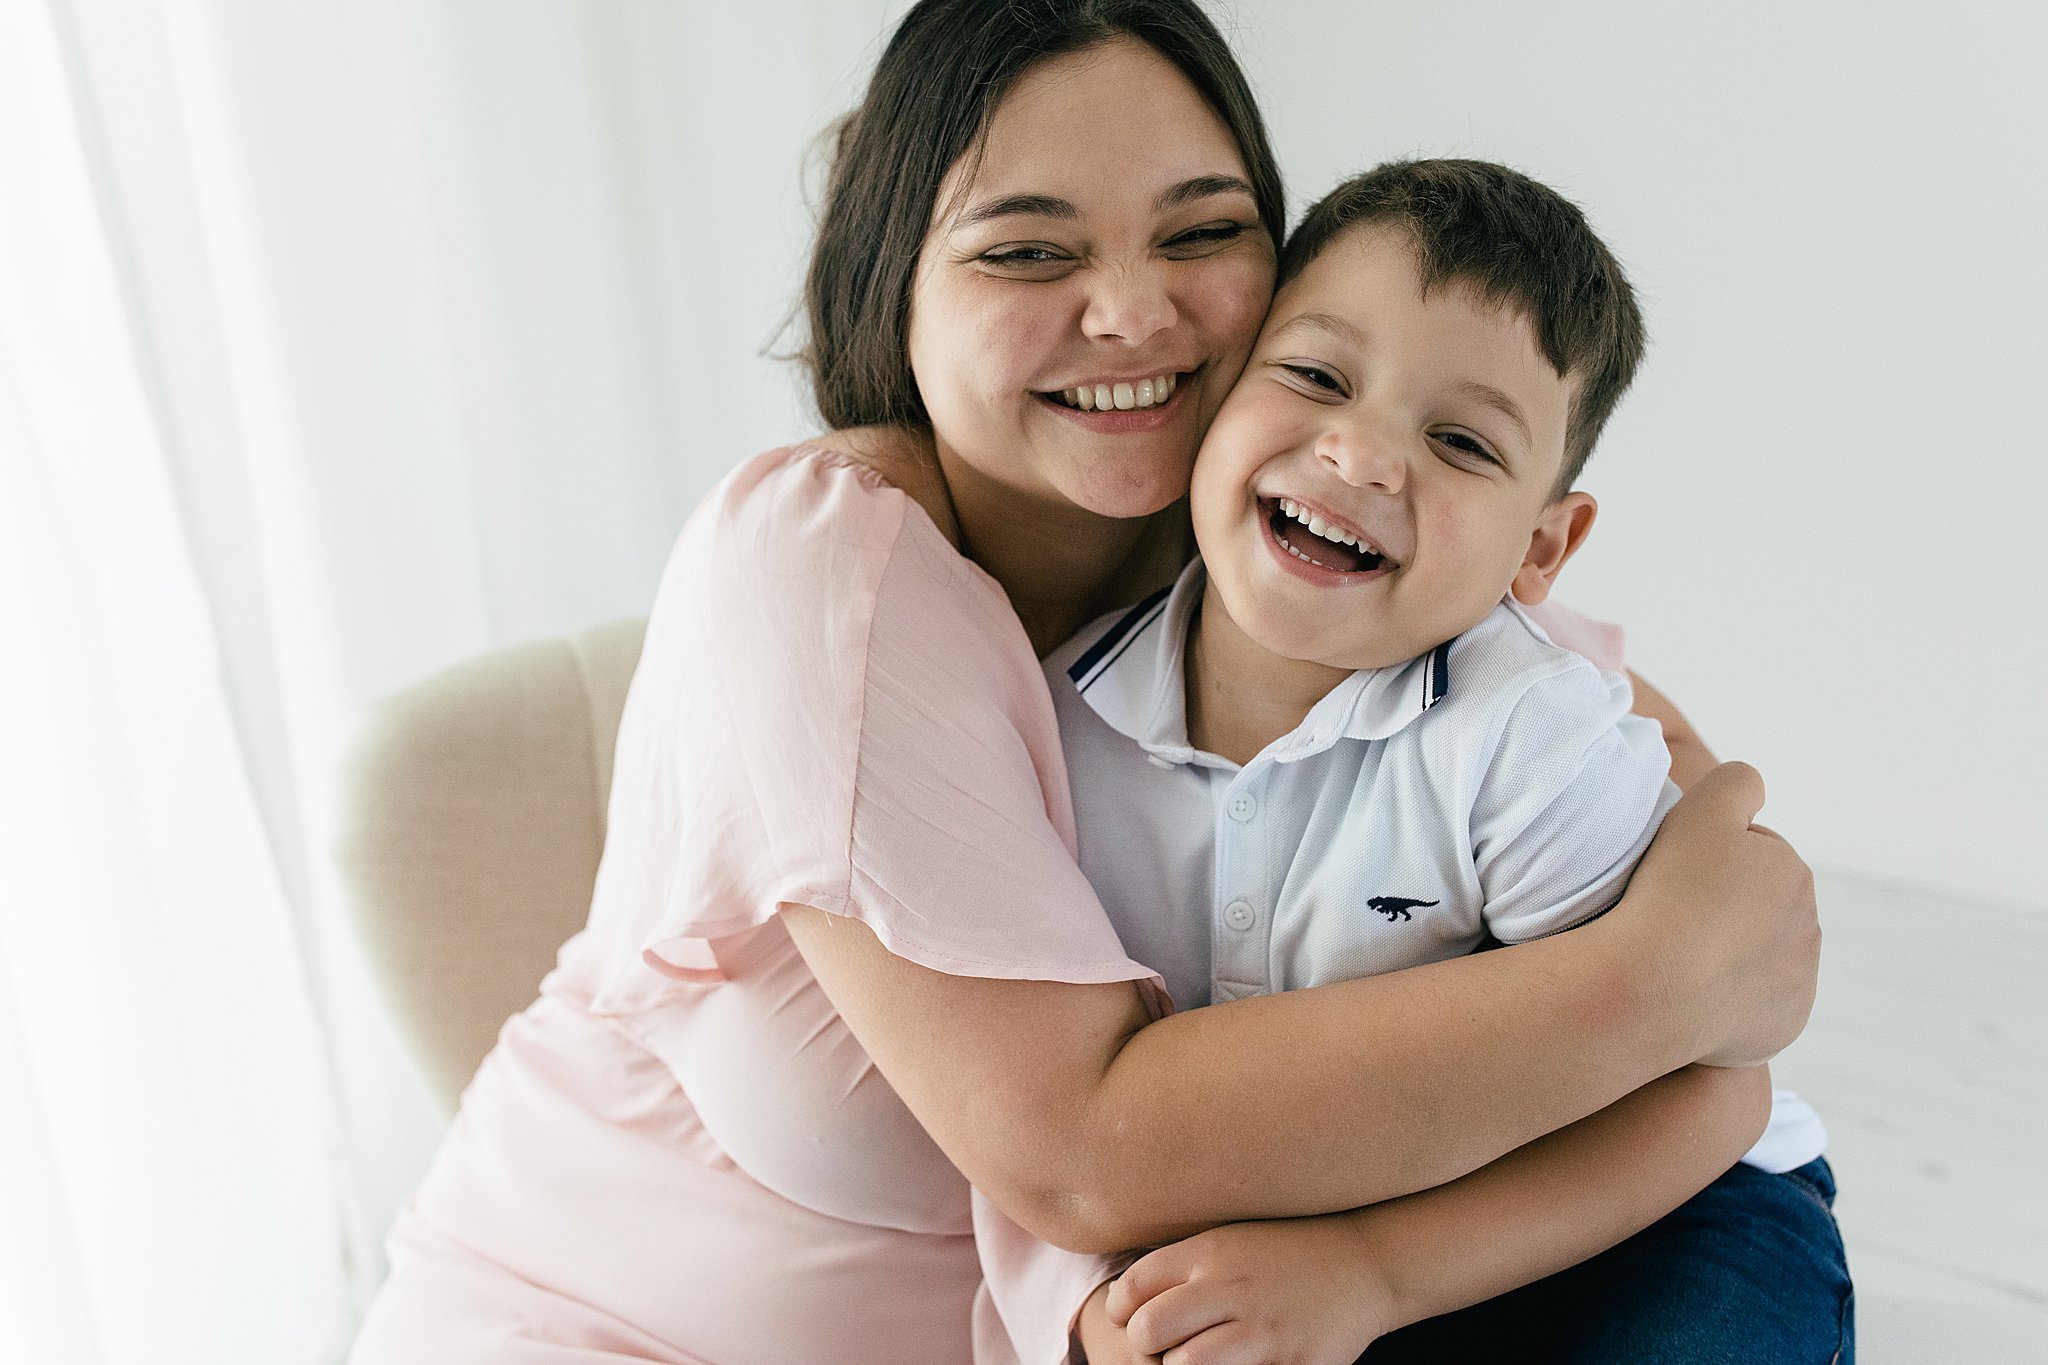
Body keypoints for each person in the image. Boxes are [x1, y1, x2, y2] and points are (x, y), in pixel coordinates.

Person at [345, 5, 1821, 1364]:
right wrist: (1661, 981)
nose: (1131, 313)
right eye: (1027, 251)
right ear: (894, 289)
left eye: (1203, 232)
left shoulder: (1251, 540)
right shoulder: (824, 572)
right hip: (587, 1325)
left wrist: (1710, 942)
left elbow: (1666, 830)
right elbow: (1086, 1150)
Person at [1013, 158, 1849, 1363]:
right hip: (1325, 1217)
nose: (1359, 456)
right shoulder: (1056, 713)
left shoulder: (1526, 736)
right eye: (1313, 377)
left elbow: (1705, 1090)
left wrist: (1373, 1271)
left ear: (1540, 546)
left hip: (1656, 1207)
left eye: (1458, 441)